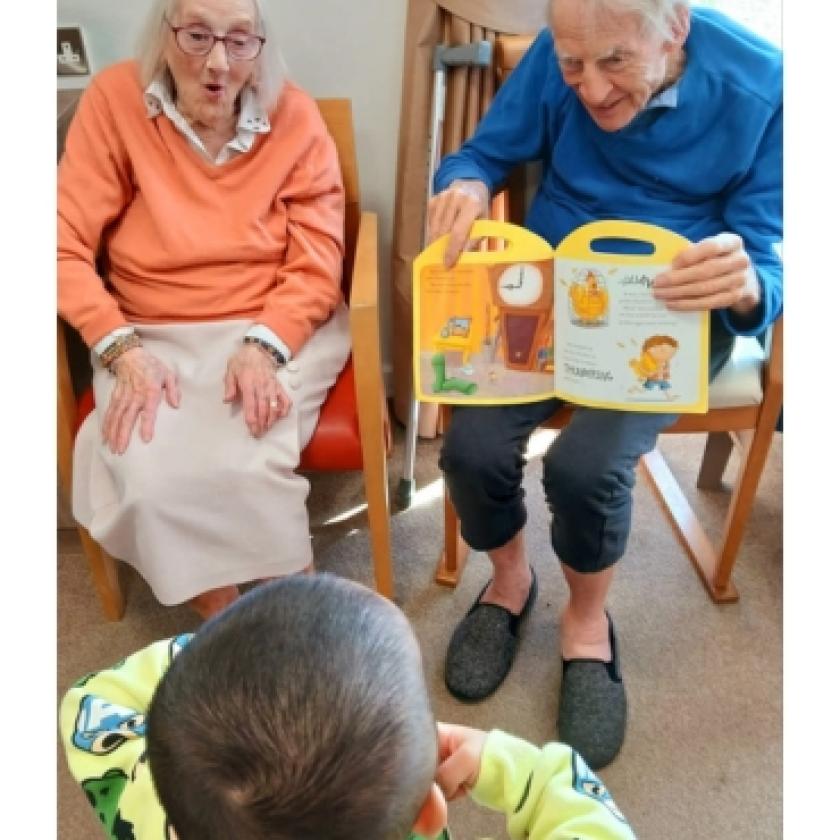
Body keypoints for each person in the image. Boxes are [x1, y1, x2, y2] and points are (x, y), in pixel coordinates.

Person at [426, 0, 782, 770]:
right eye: (572, 66)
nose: (589, 90)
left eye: (615, 63)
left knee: (584, 467)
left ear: (676, 28)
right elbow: (481, 155)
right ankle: (511, 583)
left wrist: (746, 281)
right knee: (470, 446)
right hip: (557, 288)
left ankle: (586, 622)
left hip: (671, 310)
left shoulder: (765, 87)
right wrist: (462, 185)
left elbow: (767, 269)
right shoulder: (571, 46)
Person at [58, 0, 351, 619]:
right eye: (197, 35)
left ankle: (295, 610)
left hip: (272, 322)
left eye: (239, 40)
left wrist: (264, 344)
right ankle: (227, 622)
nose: (218, 62)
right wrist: (119, 346)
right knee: (148, 477)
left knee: (250, 458)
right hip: (148, 334)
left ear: (260, 45)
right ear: (164, 33)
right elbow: (58, 244)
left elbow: (318, 259)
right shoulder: (115, 100)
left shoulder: (293, 115)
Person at [59, 574, 636, 840]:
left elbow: (87, 699)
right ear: (428, 814)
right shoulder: (419, 821)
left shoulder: (139, 788)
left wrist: (220, 657)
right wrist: (520, 773)